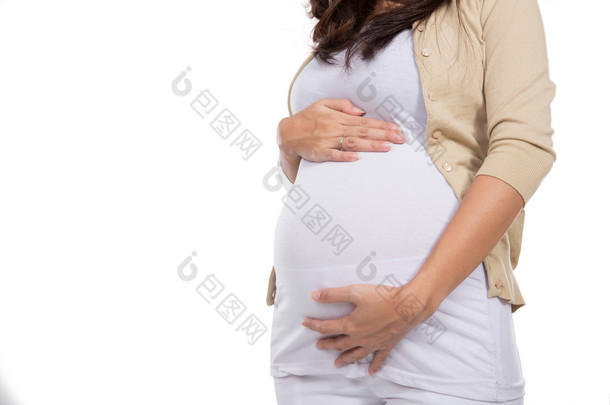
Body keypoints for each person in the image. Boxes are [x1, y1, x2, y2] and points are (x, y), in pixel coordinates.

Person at [267, 0, 556, 403]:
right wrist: (288, 144)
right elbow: (332, 174)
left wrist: (414, 302)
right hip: (313, 340)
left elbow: (524, 148)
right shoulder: (345, 12)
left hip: (443, 324)